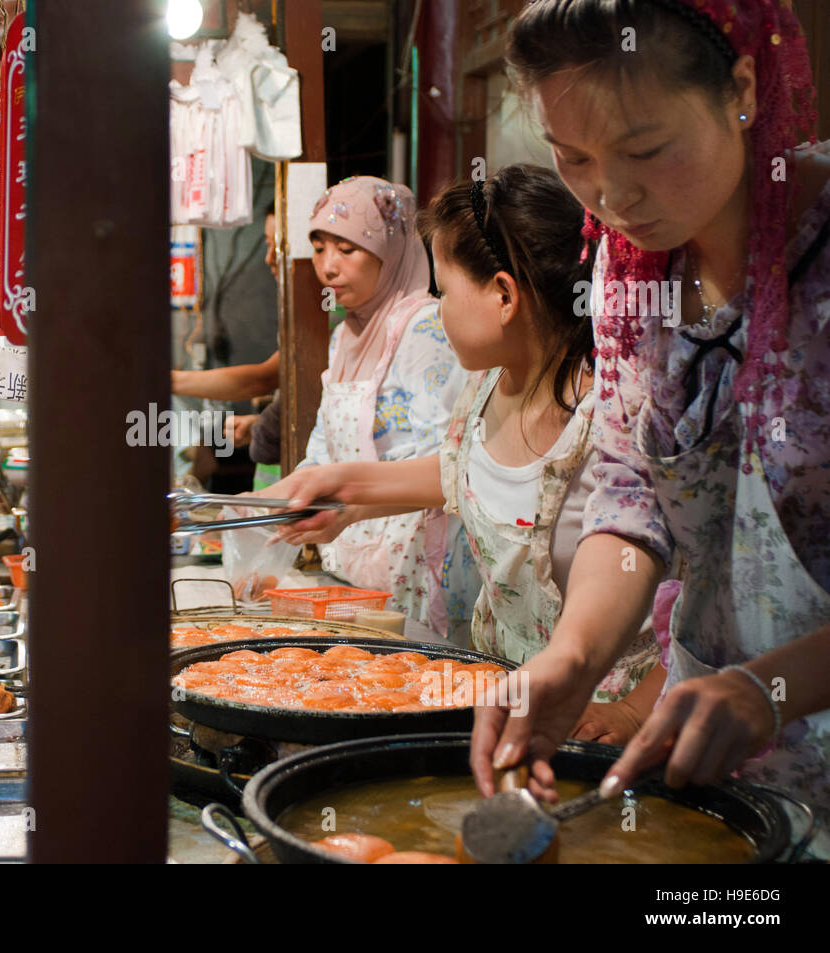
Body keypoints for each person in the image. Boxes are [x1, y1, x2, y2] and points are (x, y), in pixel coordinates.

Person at [468, 0, 830, 823]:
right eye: (573, 157)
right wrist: (574, 654)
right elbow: (632, 498)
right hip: (720, 773)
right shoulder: (632, 280)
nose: (612, 193)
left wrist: (775, 684)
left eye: (645, 149)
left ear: (741, 87)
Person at [269, 165, 666, 738]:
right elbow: (460, 474)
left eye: (443, 289)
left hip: (604, 724)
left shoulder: (617, 414)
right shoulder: (486, 387)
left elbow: (702, 591)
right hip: (500, 702)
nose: (436, 305)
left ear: (503, 296)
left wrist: (630, 712)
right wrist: (342, 492)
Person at [264, 176, 478, 643]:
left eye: (347, 249)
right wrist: (254, 510)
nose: (327, 267)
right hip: (354, 565)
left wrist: (347, 503)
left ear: (390, 250)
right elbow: (322, 450)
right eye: (319, 248)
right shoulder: (345, 336)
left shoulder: (425, 328)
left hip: (418, 569)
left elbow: (450, 466)